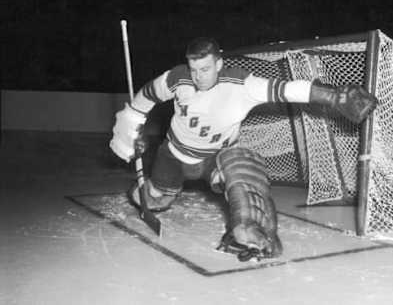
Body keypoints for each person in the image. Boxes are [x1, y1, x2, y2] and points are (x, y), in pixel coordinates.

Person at [110, 37, 377, 261]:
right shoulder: (176, 78)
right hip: (174, 155)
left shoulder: (241, 84)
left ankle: (250, 232)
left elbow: (285, 89)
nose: (198, 76)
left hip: (215, 157)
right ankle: (145, 191)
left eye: (205, 69)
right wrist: (132, 125)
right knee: (155, 199)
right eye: (194, 69)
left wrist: (334, 96)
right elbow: (145, 96)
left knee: (240, 167)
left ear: (219, 63)